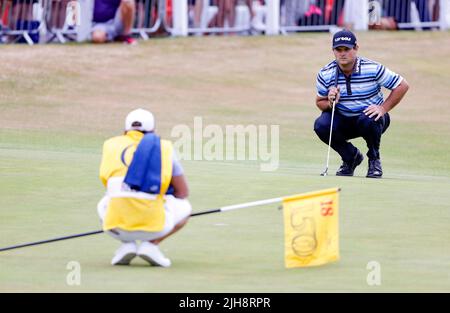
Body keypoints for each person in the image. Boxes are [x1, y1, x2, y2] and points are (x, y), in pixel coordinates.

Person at [97, 108, 192, 267]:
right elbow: (182, 192)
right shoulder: (164, 147)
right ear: (153, 130)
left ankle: (127, 244)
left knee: (106, 201)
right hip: (155, 228)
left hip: (115, 226)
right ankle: (151, 246)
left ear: (125, 130)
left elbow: (110, 184)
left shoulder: (110, 145)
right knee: (185, 207)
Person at [314, 29, 409, 178]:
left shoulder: (372, 68)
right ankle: (351, 157)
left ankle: (374, 160)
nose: (342, 53)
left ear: (356, 48)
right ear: (333, 50)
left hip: (371, 120)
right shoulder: (326, 73)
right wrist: (331, 101)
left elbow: (402, 85)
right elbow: (320, 102)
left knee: (368, 118)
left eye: (347, 49)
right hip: (343, 119)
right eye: (338, 49)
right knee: (321, 125)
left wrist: (383, 108)